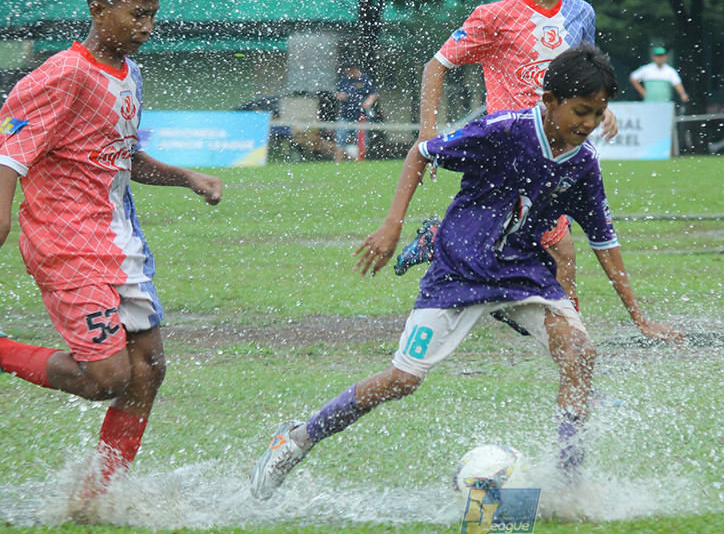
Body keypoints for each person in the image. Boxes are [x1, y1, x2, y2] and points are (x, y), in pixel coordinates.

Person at [249, 45, 681, 501]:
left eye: (598, 113)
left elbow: (604, 242)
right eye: (581, 111)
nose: (590, 123)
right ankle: (296, 439)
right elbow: (421, 154)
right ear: (550, 100)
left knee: (580, 354)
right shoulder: (504, 130)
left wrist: (639, 316)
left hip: (524, 275)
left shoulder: (583, 163)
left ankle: (568, 487)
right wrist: (392, 225)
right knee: (402, 381)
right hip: (459, 273)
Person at [0, 0, 222, 510]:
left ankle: (96, 497)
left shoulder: (131, 74)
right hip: (66, 245)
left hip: (121, 245)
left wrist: (186, 177)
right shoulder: (62, 73)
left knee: (149, 370)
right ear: (98, 8)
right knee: (106, 379)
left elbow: (122, 156)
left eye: (153, 14)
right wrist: (1, 215)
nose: (147, 27)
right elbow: (9, 150)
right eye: (136, 13)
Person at [394, 0, 618, 314]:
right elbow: (436, 66)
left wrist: (602, 107)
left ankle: (445, 245)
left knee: (527, 243)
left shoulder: (582, 12)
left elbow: (587, 76)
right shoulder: (494, 16)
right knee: (560, 251)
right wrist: (427, 132)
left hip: (554, 151)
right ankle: (563, 329)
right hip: (506, 147)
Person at [332, 64, 378, 163]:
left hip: (361, 116)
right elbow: (337, 93)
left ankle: (360, 160)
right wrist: (342, 96)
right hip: (346, 115)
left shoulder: (365, 79)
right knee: (340, 138)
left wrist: (368, 102)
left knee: (362, 140)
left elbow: (373, 94)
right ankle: (338, 161)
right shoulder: (344, 80)